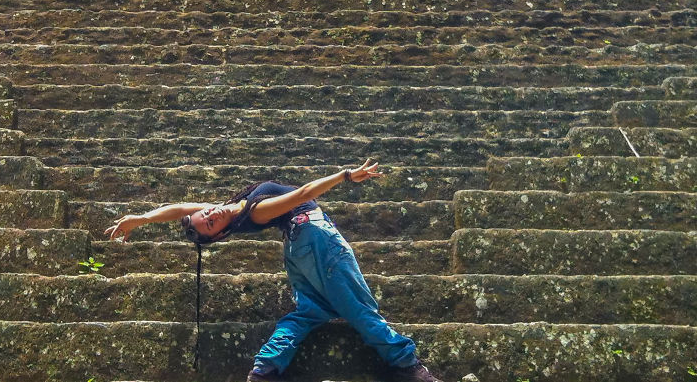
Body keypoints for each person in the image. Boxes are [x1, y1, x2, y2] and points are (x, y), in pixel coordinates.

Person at [104, 158, 443, 382]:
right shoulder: (256, 211)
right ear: (220, 234)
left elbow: (180, 207)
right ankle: (406, 364)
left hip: (296, 251)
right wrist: (346, 175)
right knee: (358, 305)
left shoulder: (233, 209)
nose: (210, 214)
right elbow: (305, 192)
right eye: (209, 223)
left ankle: (264, 370)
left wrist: (143, 218)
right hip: (315, 239)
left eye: (206, 213)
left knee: (309, 312)